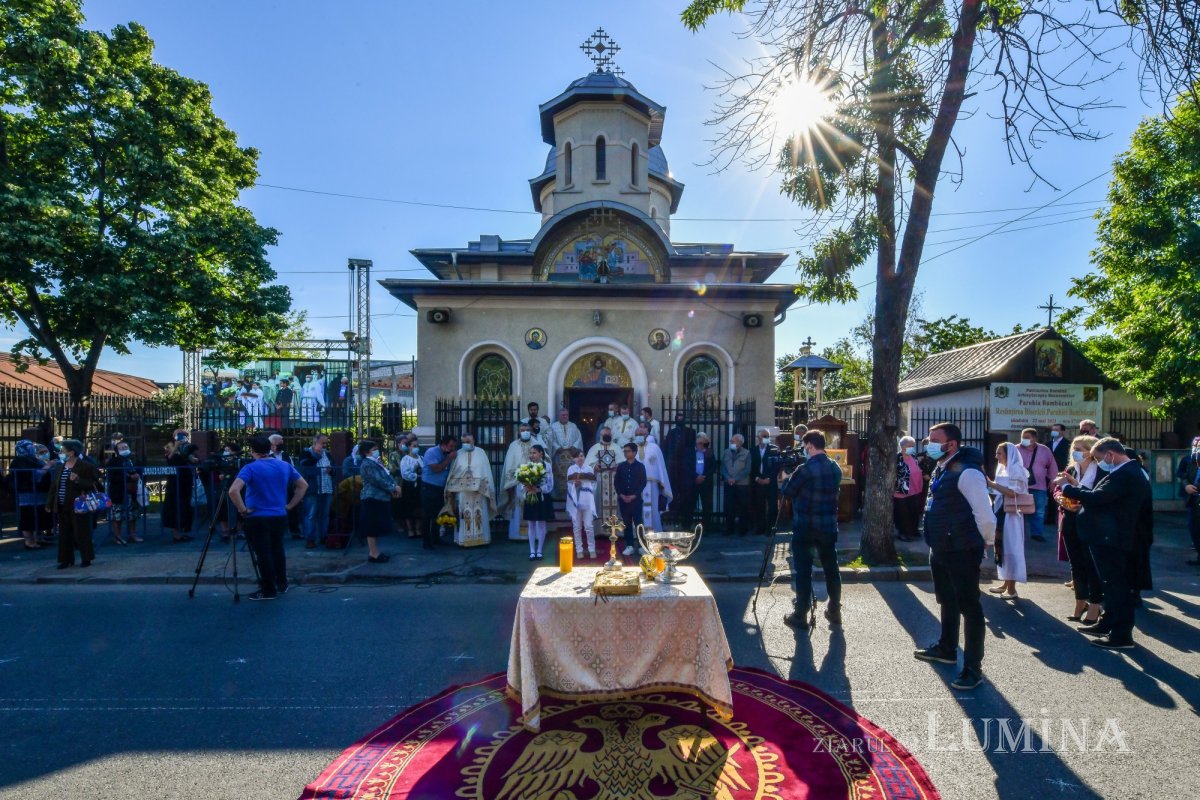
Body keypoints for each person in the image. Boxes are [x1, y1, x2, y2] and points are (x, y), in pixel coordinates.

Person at [913, 422, 996, 691]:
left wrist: (986, 541)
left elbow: (985, 514)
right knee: (947, 600)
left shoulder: (968, 473)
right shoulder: (943, 467)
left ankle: (973, 668)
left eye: (935, 440)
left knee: (969, 607)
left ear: (952, 444)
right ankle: (947, 648)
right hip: (941, 546)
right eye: (929, 439)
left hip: (962, 549)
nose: (929, 444)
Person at [1056, 438, 1152, 650]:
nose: (1099, 463)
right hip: (1107, 537)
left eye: (1099, 458)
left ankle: (1121, 635)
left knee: (1117, 587)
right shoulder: (1124, 471)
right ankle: (1107, 623)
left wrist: (1067, 488)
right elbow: (1102, 496)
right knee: (1110, 585)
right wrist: (1074, 486)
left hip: (1113, 539)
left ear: (1110, 455)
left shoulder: (1126, 473)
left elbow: (1098, 497)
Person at [228, 435, 308, 600]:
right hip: (279, 515)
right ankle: (282, 583)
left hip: (257, 516)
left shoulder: (250, 468)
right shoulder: (284, 465)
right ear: (269, 448)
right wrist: (290, 505)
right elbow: (303, 485)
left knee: (263, 553)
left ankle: (268, 589)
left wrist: (243, 510)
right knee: (278, 549)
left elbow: (233, 491)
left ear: (253, 451)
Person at [781, 431, 844, 629]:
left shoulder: (805, 469)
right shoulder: (835, 467)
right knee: (831, 569)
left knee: (803, 570)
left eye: (805, 446)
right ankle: (834, 610)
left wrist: (785, 477)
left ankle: (800, 613)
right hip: (827, 526)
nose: (804, 450)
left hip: (806, 527)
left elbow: (788, 491)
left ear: (810, 446)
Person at [1057, 435, 1102, 623]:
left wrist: (1075, 486)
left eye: (1080, 449)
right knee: (1076, 564)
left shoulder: (1100, 470)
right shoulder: (1071, 469)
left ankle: (1095, 606)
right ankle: (1080, 603)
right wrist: (1060, 498)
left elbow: (1098, 496)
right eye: (1074, 448)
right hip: (1071, 521)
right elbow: (1058, 489)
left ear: (1090, 452)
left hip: (1091, 523)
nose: (1075, 452)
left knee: (1091, 565)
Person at [46, 439, 100, 569]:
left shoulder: (85, 466)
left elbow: (94, 484)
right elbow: (54, 487)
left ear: (71, 452)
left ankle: (86, 558)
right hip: (62, 504)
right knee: (64, 534)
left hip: (79, 504)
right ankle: (65, 560)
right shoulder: (60, 467)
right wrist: (49, 503)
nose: (60, 453)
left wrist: (78, 480)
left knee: (82, 532)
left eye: (63, 451)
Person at [986, 442, 1028, 599]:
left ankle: (1012, 589)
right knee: (1001, 547)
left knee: (1011, 547)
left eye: (1000, 453)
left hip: (1012, 513)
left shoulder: (1016, 469)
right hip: (1001, 510)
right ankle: (1005, 583)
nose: (996, 456)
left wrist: (992, 484)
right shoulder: (1002, 468)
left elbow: (1013, 493)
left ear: (1008, 454)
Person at [446, 433, 496, 548]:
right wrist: (451, 488)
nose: (466, 444)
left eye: (468, 442)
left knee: (480, 513)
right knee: (464, 514)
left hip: (479, 491)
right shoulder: (458, 454)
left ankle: (482, 539)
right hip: (462, 491)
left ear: (473, 441)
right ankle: (463, 540)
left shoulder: (481, 453)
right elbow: (453, 472)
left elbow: (485, 471)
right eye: (463, 442)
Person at [356, 439, 398, 563]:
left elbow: (386, 475)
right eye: (374, 449)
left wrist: (394, 486)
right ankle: (374, 553)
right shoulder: (367, 464)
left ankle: (374, 552)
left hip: (379, 498)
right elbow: (377, 480)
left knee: (375, 526)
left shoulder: (375, 462)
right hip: (372, 497)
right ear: (366, 452)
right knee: (371, 527)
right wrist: (393, 487)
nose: (377, 451)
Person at [1015, 428, 1056, 542]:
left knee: (1039, 511)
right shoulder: (1015, 449)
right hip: (1020, 486)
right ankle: (1018, 533)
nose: (1024, 439)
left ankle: (1037, 534)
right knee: (1019, 511)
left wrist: (1053, 480)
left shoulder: (1044, 450)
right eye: (1023, 437)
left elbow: (1052, 465)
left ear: (1034, 438)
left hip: (1039, 486)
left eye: (1027, 437)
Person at [9, 440, 50, 550]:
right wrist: (48, 466)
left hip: (40, 492)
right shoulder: (20, 460)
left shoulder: (34, 458)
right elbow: (32, 475)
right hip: (28, 493)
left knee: (40, 514)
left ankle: (39, 537)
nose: (33, 448)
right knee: (28, 516)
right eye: (29, 447)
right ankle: (29, 541)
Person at [297, 434, 335, 549]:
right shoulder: (306, 453)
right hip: (313, 489)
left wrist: (331, 470)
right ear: (315, 443)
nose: (325, 445)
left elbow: (334, 468)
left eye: (326, 443)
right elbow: (305, 466)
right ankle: (310, 538)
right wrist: (317, 455)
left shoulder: (327, 454)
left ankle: (324, 536)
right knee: (311, 514)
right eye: (322, 443)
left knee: (325, 514)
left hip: (326, 487)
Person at [501, 423, 538, 541]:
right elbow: (509, 464)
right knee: (518, 508)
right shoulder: (513, 446)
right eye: (522, 430)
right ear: (518, 432)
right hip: (518, 483)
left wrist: (536, 474)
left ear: (530, 431)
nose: (525, 432)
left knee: (533, 506)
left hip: (533, 483)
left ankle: (535, 535)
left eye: (527, 429)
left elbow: (545, 458)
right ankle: (517, 534)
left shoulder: (536, 443)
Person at [518, 444, 555, 559]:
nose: (532, 455)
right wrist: (527, 487)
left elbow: (550, 483)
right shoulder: (527, 466)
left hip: (542, 496)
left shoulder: (547, 466)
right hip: (531, 495)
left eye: (534, 453)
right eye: (531, 453)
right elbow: (521, 481)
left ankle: (539, 550)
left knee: (541, 523)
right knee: (531, 523)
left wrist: (540, 489)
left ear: (541, 453)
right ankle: (532, 550)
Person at [162, 429, 199, 542]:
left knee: (185, 506)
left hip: (186, 480)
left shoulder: (187, 447)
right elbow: (170, 459)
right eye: (179, 435)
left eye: (184, 435)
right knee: (174, 506)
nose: (181, 437)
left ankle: (183, 531)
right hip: (174, 482)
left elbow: (192, 459)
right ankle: (176, 534)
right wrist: (176, 446)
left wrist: (193, 458)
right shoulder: (169, 446)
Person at [420, 435, 457, 549]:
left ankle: (436, 537)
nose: (452, 449)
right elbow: (436, 469)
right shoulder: (431, 452)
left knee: (438, 514)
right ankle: (426, 541)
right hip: (429, 486)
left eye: (454, 447)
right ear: (443, 445)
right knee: (427, 515)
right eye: (451, 446)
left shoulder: (447, 454)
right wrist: (449, 459)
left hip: (441, 488)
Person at [634, 423, 672, 531]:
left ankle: (654, 532)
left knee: (652, 508)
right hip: (635, 484)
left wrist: (662, 483)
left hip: (652, 485)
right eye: (638, 434)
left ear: (646, 435)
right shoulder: (631, 448)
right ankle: (638, 533)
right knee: (636, 508)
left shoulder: (655, 448)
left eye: (641, 434)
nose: (640, 436)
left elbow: (660, 468)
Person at [585, 425, 621, 535]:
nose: (607, 435)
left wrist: (618, 466)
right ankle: (599, 531)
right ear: (600, 435)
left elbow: (622, 463)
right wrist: (594, 467)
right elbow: (587, 465)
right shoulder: (594, 448)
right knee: (598, 504)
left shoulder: (617, 448)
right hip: (600, 482)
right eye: (605, 434)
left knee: (616, 505)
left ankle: (616, 531)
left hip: (615, 482)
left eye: (608, 434)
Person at [104, 440, 142, 545]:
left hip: (132, 491)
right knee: (117, 516)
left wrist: (136, 476)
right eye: (121, 448)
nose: (124, 449)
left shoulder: (134, 460)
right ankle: (118, 537)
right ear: (117, 451)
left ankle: (132, 535)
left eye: (126, 447)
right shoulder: (113, 462)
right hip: (118, 492)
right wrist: (129, 477)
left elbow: (140, 471)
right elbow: (112, 476)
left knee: (133, 514)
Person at [615, 443, 647, 555]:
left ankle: (642, 545)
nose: (625, 453)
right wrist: (621, 495)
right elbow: (616, 482)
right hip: (624, 501)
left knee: (639, 523)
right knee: (626, 523)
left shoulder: (640, 466)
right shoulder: (621, 466)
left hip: (636, 500)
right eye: (624, 451)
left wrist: (635, 495)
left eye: (628, 451)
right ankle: (629, 545)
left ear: (634, 452)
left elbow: (643, 482)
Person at [679, 432, 715, 531]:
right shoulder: (689, 451)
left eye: (704, 443)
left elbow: (713, 466)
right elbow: (686, 466)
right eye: (700, 443)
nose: (702, 445)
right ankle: (687, 526)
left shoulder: (709, 452)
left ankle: (706, 528)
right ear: (696, 442)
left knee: (706, 506)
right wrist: (696, 476)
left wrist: (703, 476)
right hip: (692, 482)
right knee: (689, 505)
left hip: (705, 482)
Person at [565, 448, 597, 558]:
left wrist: (586, 487)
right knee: (577, 526)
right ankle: (579, 550)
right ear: (574, 458)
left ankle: (592, 549)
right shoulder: (571, 469)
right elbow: (569, 484)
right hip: (575, 501)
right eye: (577, 456)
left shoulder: (589, 468)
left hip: (587, 501)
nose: (580, 458)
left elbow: (594, 484)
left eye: (582, 456)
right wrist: (575, 485)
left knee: (589, 526)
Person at [547, 408, 583, 503]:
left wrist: (574, 447)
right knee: (558, 476)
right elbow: (551, 440)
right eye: (563, 415)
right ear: (559, 416)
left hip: (571, 455)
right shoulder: (553, 427)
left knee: (571, 475)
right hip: (558, 456)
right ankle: (558, 496)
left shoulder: (573, 426)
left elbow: (578, 438)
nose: (565, 416)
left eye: (566, 415)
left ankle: (571, 495)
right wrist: (558, 447)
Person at [750, 428, 781, 536]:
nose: (766, 438)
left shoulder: (775, 449)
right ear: (758, 438)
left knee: (772, 506)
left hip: (770, 481)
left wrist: (770, 478)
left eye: (768, 436)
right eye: (764, 436)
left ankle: (770, 529)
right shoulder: (753, 450)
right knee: (759, 506)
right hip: (758, 481)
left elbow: (777, 466)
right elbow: (751, 466)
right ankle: (760, 528)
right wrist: (757, 478)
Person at [893, 436, 924, 541]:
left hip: (914, 490)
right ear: (902, 446)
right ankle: (903, 533)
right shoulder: (897, 458)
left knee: (914, 511)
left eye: (913, 446)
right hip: (901, 491)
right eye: (909, 446)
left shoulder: (913, 457)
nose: (912, 448)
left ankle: (913, 530)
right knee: (902, 514)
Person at [1176, 436, 1200, 567]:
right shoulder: (1189, 460)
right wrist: (1186, 486)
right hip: (1194, 499)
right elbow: (1182, 475)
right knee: (1194, 529)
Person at [721, 434, 751, 536]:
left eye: (733, 441)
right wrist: (728, 478)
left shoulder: (747, 453)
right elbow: (723, 467)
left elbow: (747, 469)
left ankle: (742, 529)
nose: (731, 442)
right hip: (729, 483)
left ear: (739, 442)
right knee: (729, 507)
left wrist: (736, 479)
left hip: (742, 484)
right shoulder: (726, 452)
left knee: (742, 507)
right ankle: (729, 528)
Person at [397, 440, 423, 537]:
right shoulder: (405, 459)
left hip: (420, 485)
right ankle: (410, 529)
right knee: (408, 507)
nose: (416, 448)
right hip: (409, 485)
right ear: (409, 447)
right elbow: (404, 473)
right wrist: (416, 474)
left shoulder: (421, 458)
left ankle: (418, 528)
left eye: (417, 446)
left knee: (419, 506)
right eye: (414, 446)